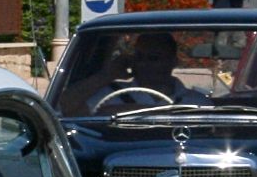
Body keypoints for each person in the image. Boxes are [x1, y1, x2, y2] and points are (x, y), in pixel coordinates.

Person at [56, 32, 209, 115]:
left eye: (154, 58)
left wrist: (117, 112)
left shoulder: (196, 101)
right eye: (139, 57)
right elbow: (64, 108)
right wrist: (106, 75)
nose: (144, 64)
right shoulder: (109, 94)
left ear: (173, 62)